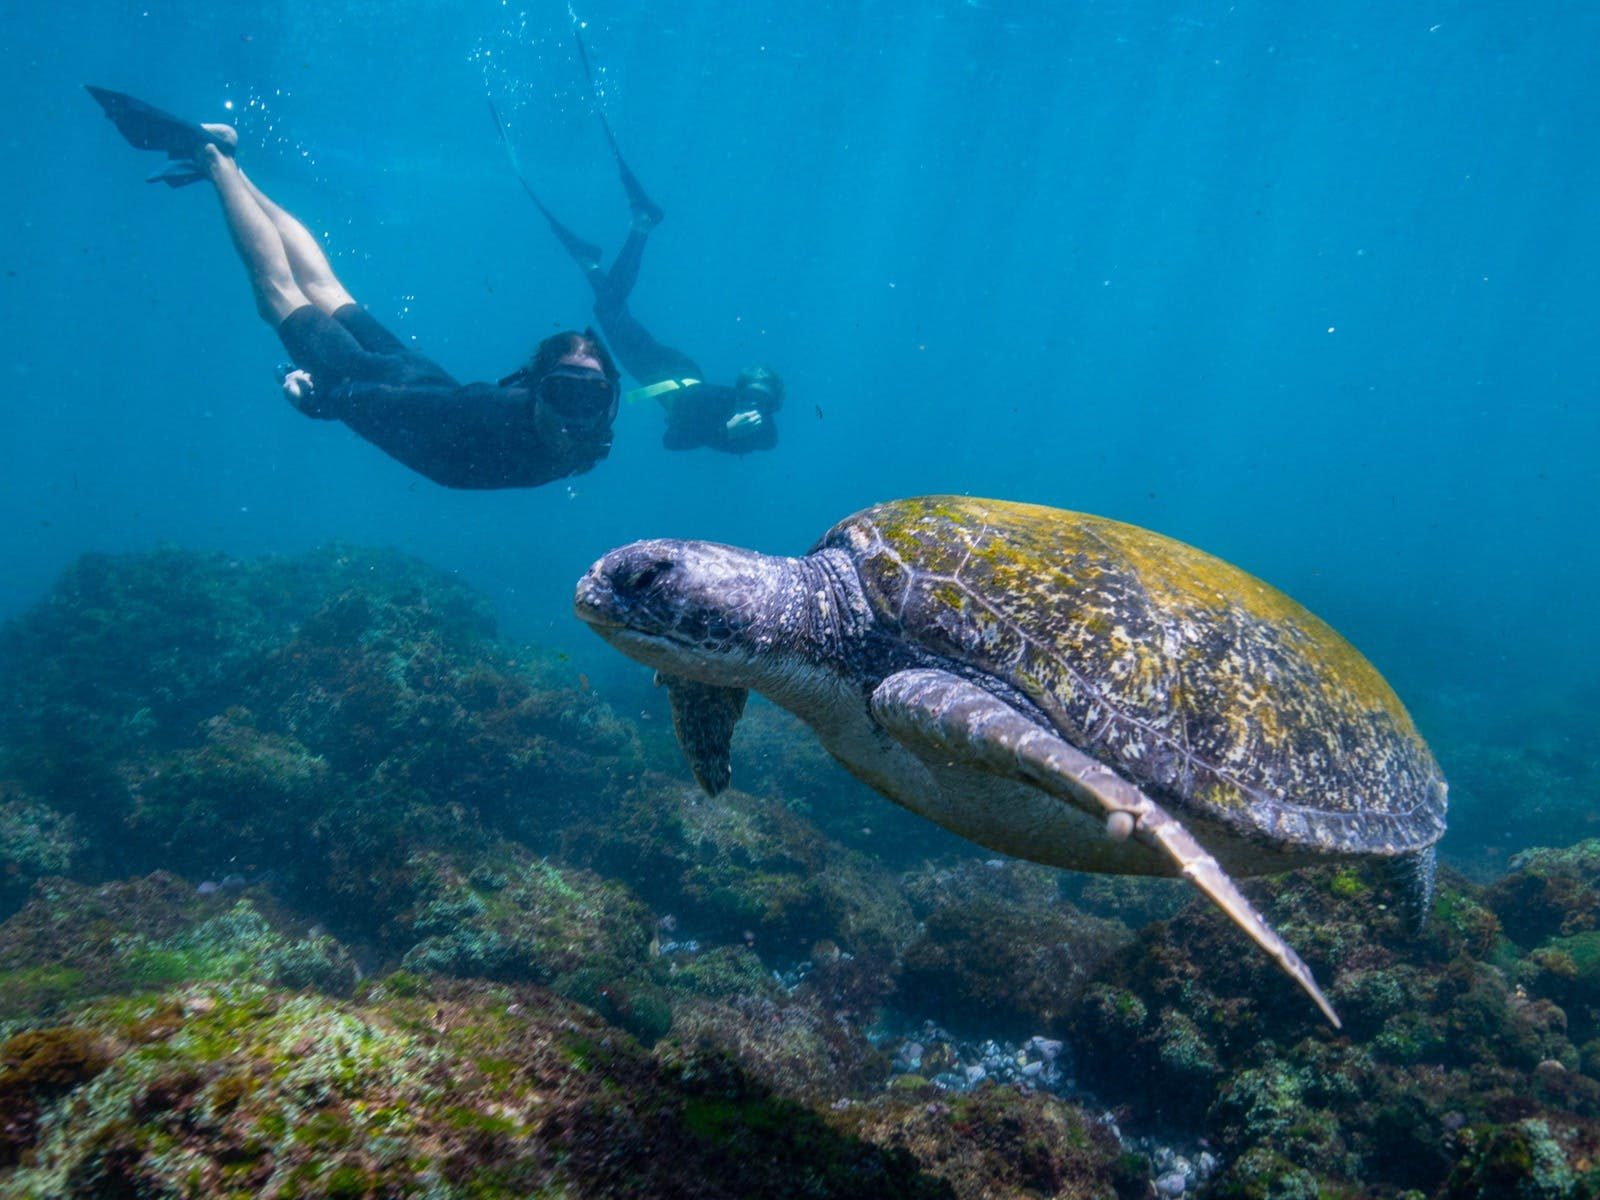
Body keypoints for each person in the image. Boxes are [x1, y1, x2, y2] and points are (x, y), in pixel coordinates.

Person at [87, 86, 620, 490]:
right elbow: (394, 406)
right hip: (390, 387)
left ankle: (230, 164)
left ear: (612, 402)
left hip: (418, 377)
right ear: (533, 389)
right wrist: (324, 400)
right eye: (563, 393)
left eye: (591, 397)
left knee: (324, 285)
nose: (576, 415)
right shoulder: (493, 414)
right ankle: (211, 158)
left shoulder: (595, 436)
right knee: (279, 295)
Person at [492, 48, 783, 456]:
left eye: (761, 402)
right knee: (608, 313)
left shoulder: (766, 435)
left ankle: (591, 260)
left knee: (610, 309)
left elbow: (692, 436)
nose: (752, 406)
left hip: (677, 371)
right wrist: (723, 432)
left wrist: (728, 433)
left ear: (775, 407)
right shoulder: (721, 409)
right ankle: (640, 226)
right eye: (750, 396)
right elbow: (673, 438)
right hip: (667, 373)